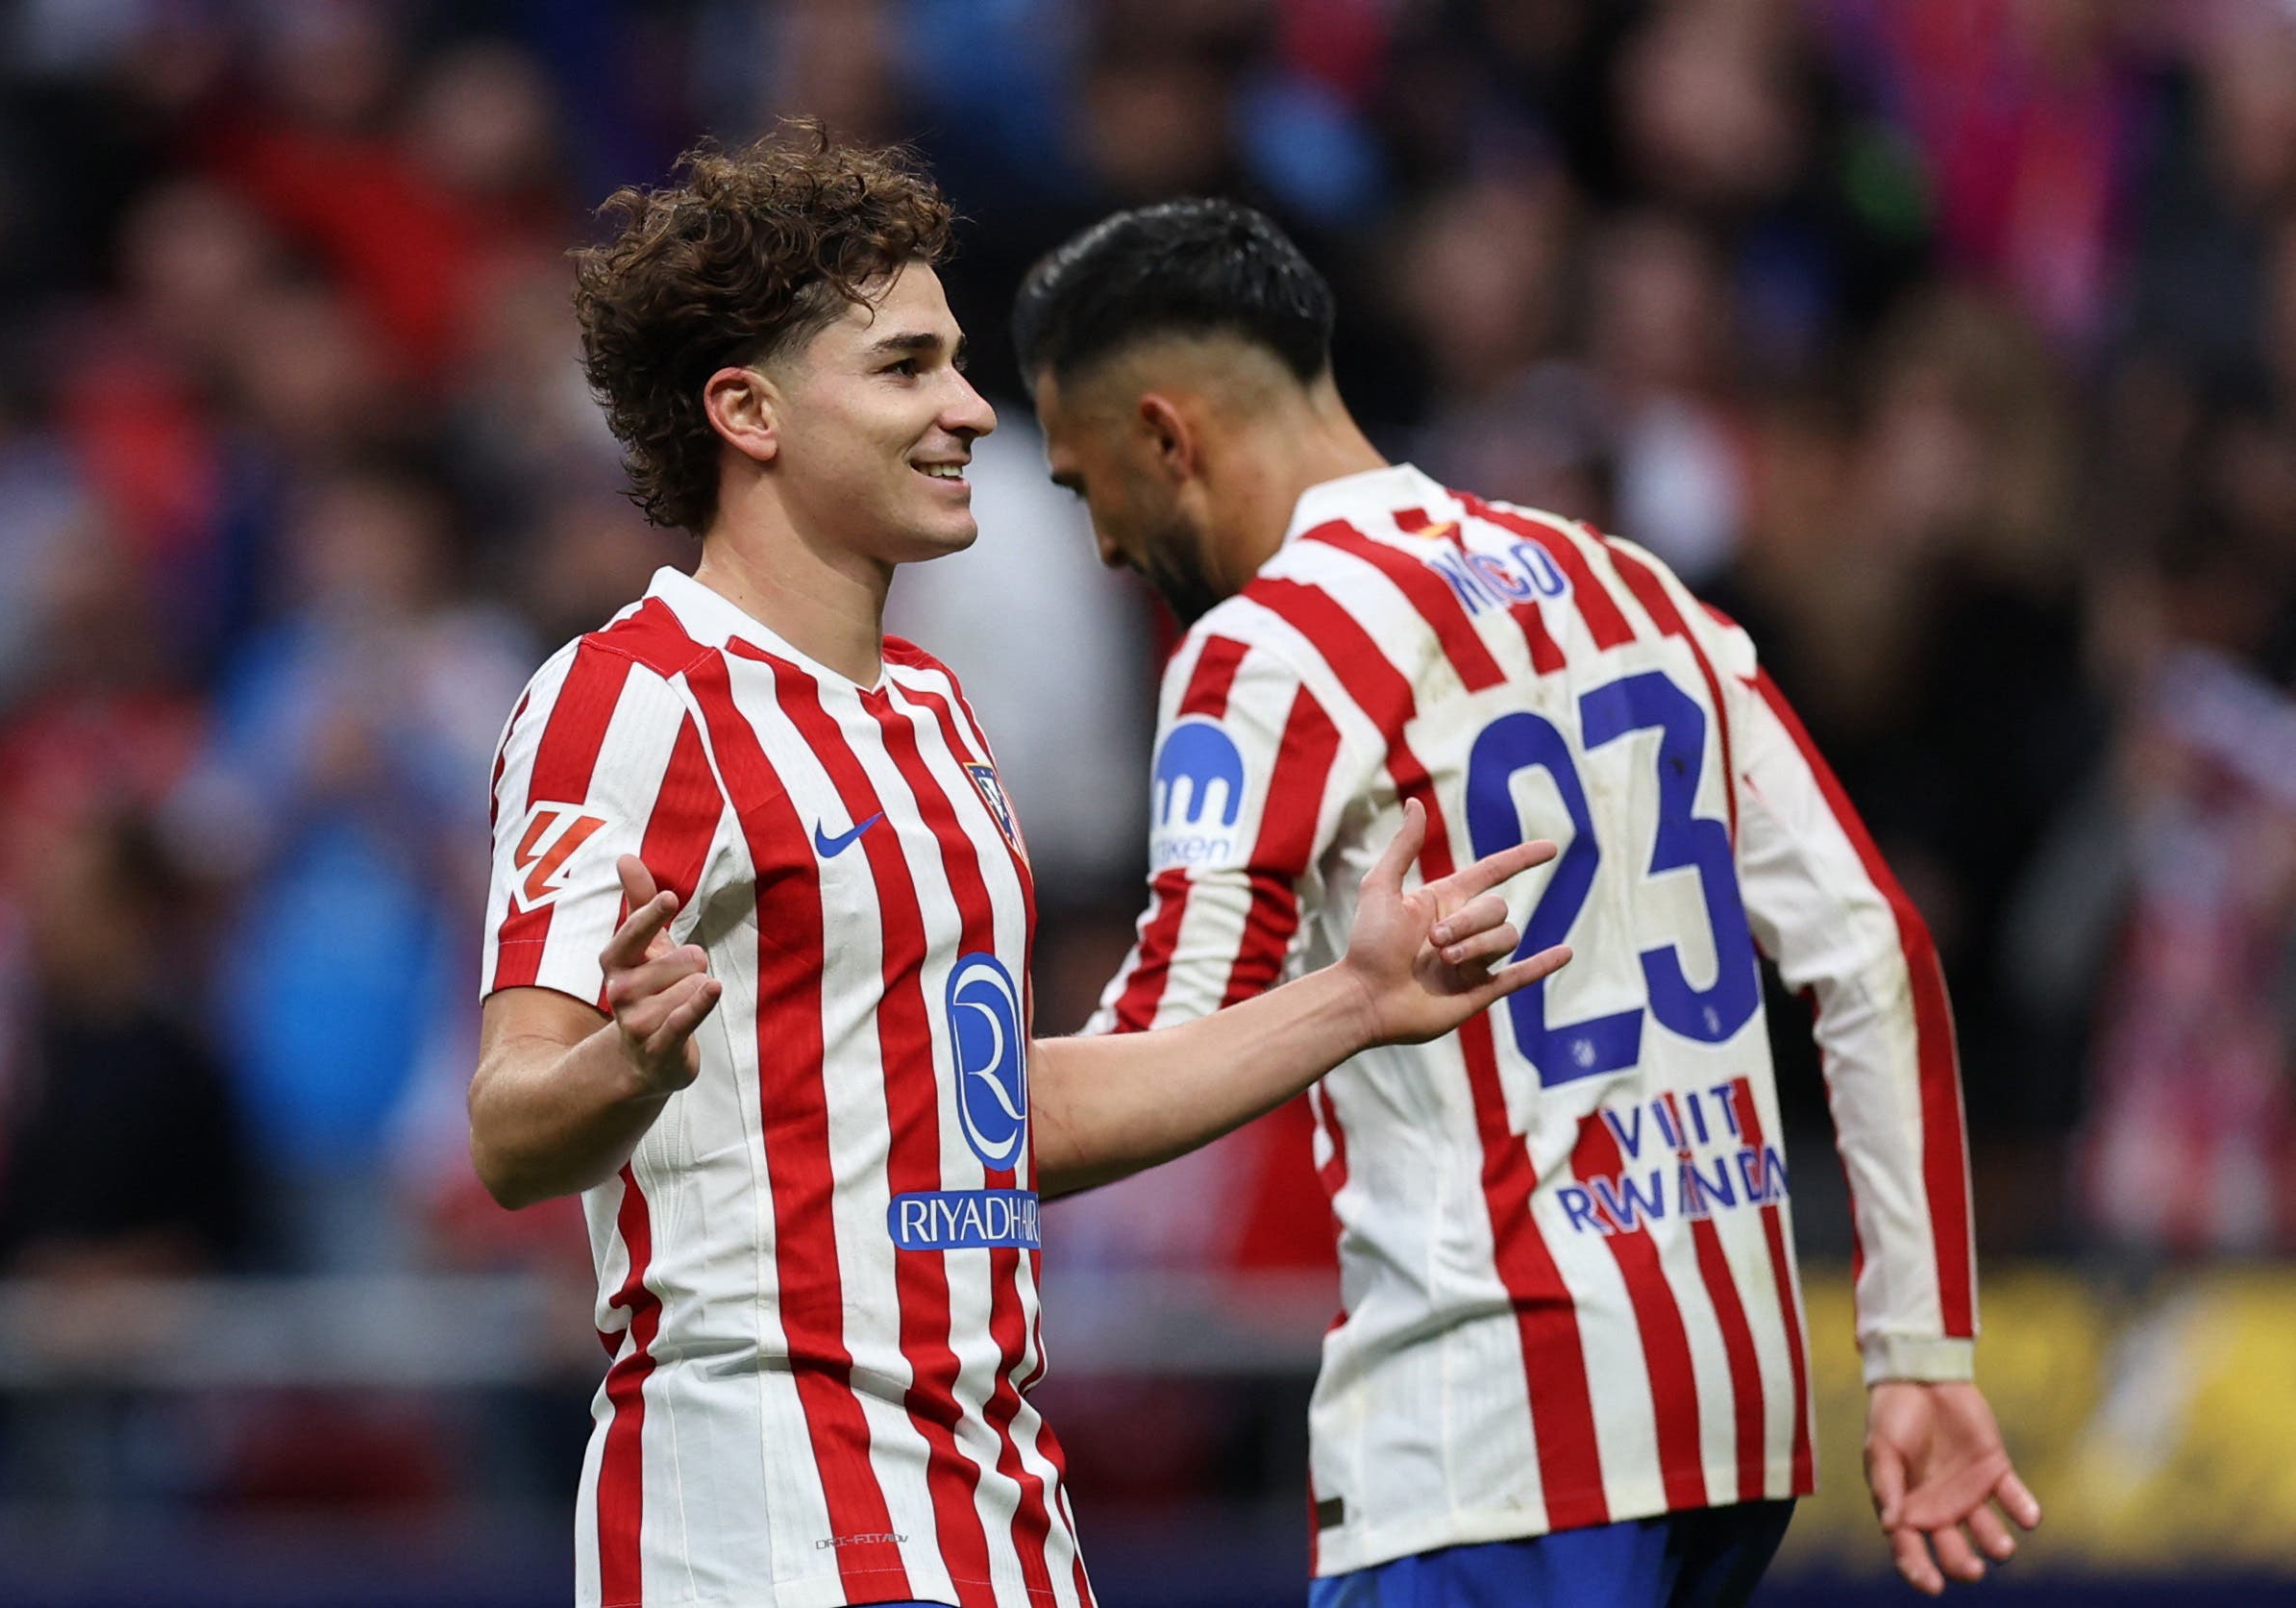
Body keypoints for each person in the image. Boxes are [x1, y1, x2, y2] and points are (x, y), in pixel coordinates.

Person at [466, 130, 1570, 1608]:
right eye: (908, 367)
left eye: (959, 363)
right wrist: (627, 1065)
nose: (974, 411)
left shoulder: (930, 711)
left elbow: (1002, 1118)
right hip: (764, 1506)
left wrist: (1357, 999)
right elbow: (510, 1124)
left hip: (993, 1497)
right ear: (749, 409)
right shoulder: (634, 701)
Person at [1013, 199, 2042, 1606]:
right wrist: (1920, 1346)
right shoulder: (1634, 585)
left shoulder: (1269, 647)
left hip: (1488, 1433)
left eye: (1083, 491)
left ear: (1164, 437)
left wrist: (860, 1097)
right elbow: (1874, 948)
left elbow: (1165, 1050)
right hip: (1727, 1426)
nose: (1107, 551)